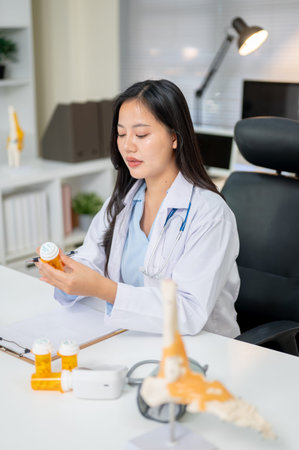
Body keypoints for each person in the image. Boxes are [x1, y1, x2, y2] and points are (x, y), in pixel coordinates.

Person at [37, 79, 240, 337]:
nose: (127, 145)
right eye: (121, 134)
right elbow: (91, 257)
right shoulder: (123, 201)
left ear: (174, 138)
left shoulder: (211, 214)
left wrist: (105, 289)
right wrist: (66, 271)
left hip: (201, 349)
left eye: (141, 134)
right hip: (137, 338)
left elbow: (189, 312)